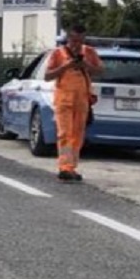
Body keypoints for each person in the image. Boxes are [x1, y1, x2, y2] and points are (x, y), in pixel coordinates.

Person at [44, 23, 105, 183]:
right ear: (68, 38)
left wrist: (85, 64)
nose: (76, 43)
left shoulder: (90, 52)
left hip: (82, 99)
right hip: (64, 99)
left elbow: (100, 70)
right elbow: (48, 75)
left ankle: (71, 167)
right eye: (73, 39)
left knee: (77, 135)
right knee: (65, 133)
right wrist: (66, 66)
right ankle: (64, 167)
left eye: (80, 40)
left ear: (84, 38)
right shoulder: (58, 53)